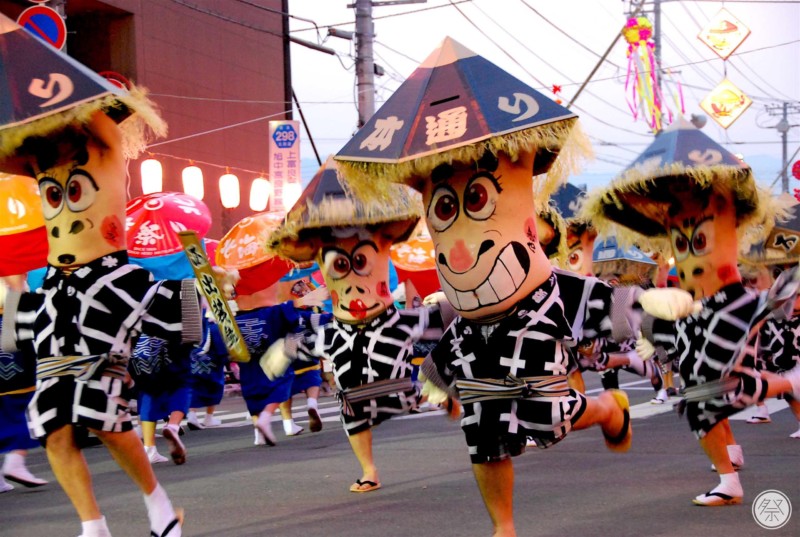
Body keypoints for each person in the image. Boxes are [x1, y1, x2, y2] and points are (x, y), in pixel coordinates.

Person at [332, 38, 691, 535]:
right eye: (443, 211)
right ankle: (504, 527)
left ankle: (609, 408)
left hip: (534, 335)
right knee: (482, 438)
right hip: (478, 345)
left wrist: (657, 307)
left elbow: (608, 303)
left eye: (476, 200)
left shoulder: (554, 288)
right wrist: (439, 388)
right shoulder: (453, 296)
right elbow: (443, 343)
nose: (457, 246)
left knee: (548, 417)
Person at [585, 117, 800, 506]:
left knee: (711, 385)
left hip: (732, 301)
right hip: (693, 306)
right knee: (695, 399)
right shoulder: (673, 220)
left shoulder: (722, 202)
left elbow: (736, 190)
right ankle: (728, 475)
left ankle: (788, 384)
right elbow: (627, 209)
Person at [265, 158, 445, 494]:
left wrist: (440, 378)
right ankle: (368, 469)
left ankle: (431, 390)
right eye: (340, 262)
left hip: (390, 345)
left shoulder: (379, 237)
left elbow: (443, 325)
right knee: (352, 411)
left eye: (358, 259)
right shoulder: (321, 251)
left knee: (430, 348)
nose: (349, 272)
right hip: (347, 343)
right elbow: (309, 340)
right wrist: (282, 351)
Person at [0, 280, 48, 493]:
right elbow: (16, 284)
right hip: (9, 311)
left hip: (9, 311)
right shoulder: (11, 258)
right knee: (18, 404)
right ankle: (15, 461)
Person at [130, 336, 193, 465]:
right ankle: (173, 426)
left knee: (148, 391)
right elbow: (193, 330)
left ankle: (149, 448)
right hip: (172, 343)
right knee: (182, 386)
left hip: (141, 347)